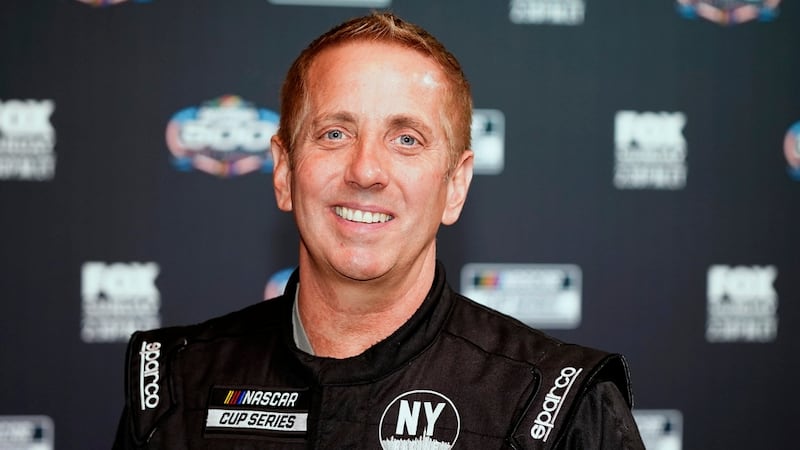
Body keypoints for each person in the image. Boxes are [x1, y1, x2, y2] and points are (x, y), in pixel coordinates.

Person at [113, 12, 644, 449]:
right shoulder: (177, 384)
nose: (366, 170)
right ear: (283, 171)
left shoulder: (556, 406)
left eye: (406, 139)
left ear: (455, 185)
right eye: (334, 133)